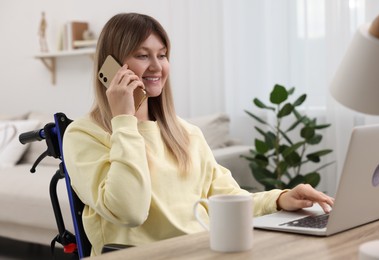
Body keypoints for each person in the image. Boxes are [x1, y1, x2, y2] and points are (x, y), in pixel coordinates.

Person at [63, 12, 334, 256]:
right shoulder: (83, 135)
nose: (157, 66)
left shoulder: (186, 133)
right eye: (143, 55)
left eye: (163, 54)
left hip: (201, 251)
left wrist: (280, 198)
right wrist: (124, 119)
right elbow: (129, 211)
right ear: (112, 66)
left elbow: (227, 198)